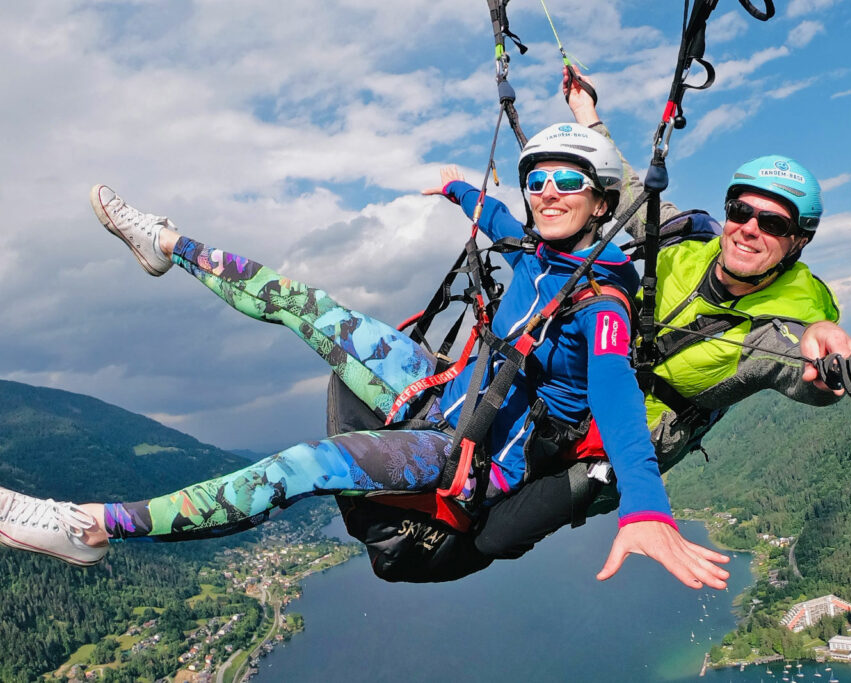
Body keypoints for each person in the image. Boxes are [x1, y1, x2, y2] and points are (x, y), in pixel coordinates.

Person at [0, 122, 732, 590]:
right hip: (444, 391)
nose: (545, 191)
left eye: (567, 181)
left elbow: (612, 395)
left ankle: (93, 526)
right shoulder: (542, 247)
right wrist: (456, 189)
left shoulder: (602, 303)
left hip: (463, 453)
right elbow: (506, 222)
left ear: (603, 202)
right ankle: (164, 243)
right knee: (306, 304)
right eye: (536, 176)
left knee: (304, 465)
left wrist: (645, 504)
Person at [336, 69, 851, 583]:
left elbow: (805, 362)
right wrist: (586, 114)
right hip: (566, 395)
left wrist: (839, 370)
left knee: (498, 534)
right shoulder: (682, 241)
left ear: (799, 241)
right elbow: (630, 188)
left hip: (627, 444)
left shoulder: (786, 324)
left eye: (774, 224)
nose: (749, 230)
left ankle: (426, 548)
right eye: (742, 211)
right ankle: (409, 509)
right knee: (478, 450)